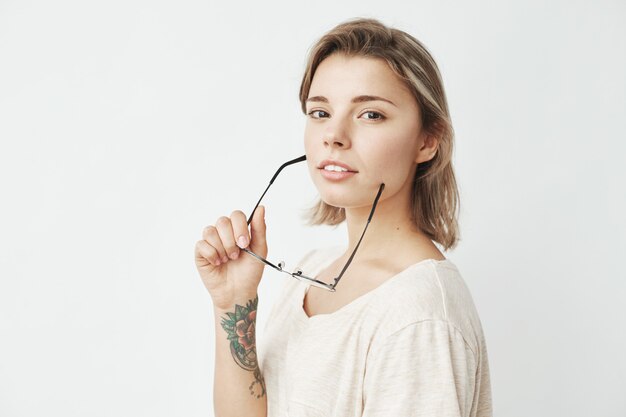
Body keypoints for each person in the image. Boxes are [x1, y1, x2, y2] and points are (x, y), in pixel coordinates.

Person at [194, 17, 493, 417]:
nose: (333, 135)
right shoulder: (309, 272)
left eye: (370, 114)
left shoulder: (418, 317)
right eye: (320, 112)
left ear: (427, 140)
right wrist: (234, 303)